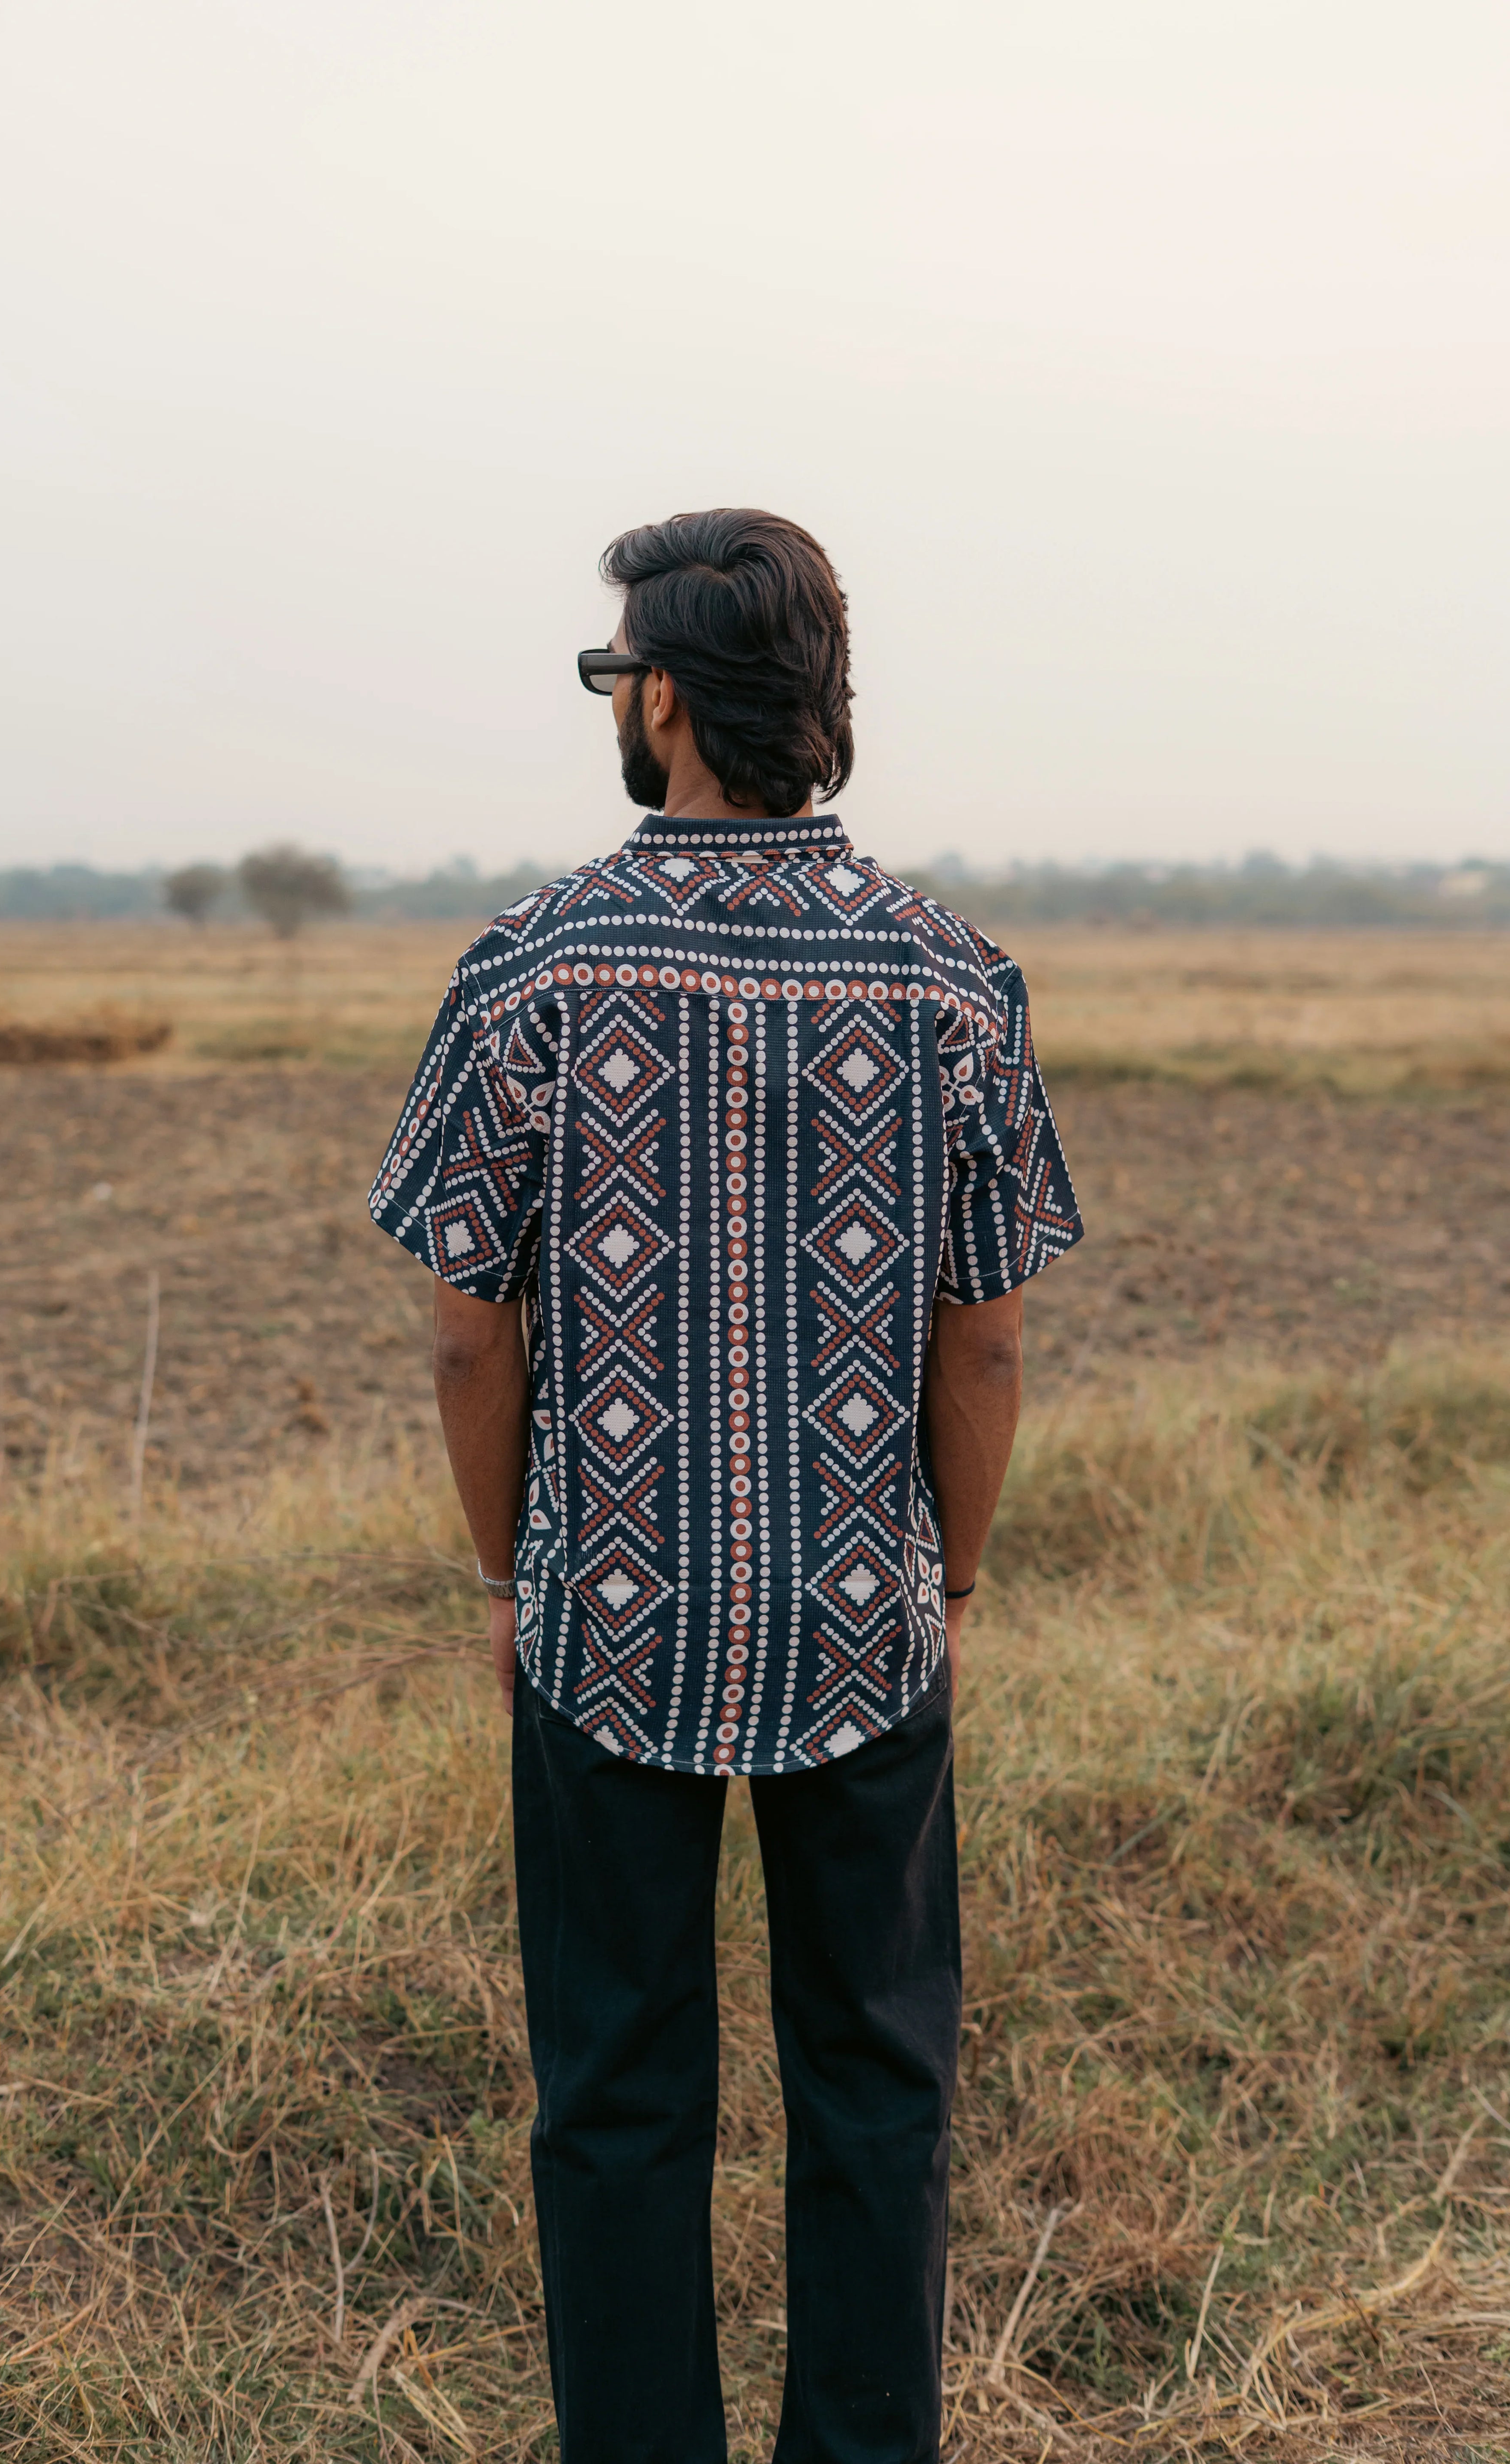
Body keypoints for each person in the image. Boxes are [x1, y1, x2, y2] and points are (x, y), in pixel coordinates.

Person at [369, 509, 1083, 2464]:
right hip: (866, 1607)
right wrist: (947, 1577)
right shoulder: (950, 979)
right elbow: (990, 1333)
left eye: (618, 674)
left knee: (615, 2088)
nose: (618, 701)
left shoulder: (531, 969)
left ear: (666, 696)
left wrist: (517, 1573)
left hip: (611, 1611)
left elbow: (464, 1333)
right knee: (877, 2080)